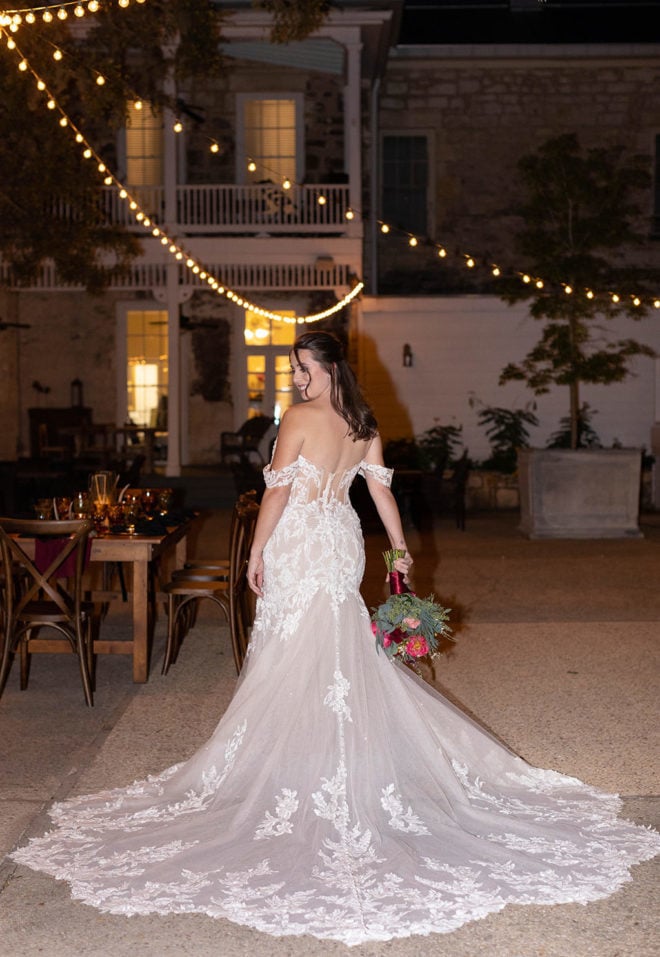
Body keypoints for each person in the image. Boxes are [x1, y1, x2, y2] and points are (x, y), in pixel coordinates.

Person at [11, 331, 660, 946]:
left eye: (301, 366)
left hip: (301, 541)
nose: (295, 376)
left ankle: (301, 765)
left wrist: (256, 552)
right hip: (342, 541)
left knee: (293, 652)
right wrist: (401, 551)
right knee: (338, 651)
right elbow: (379, 494)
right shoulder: (365, 423)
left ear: (323, 369)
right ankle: (333, 763)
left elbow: (274, 495)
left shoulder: (299, 416)